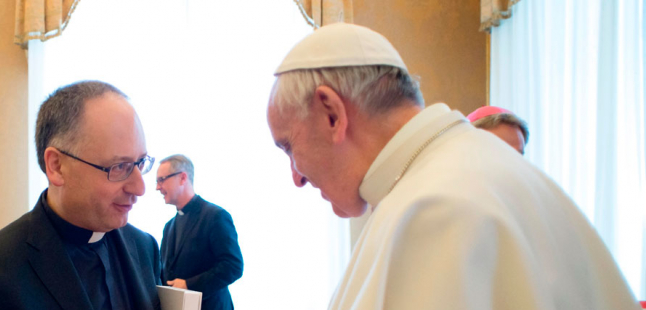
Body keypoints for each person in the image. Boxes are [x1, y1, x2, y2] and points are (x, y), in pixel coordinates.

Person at [265, 23, 640, 310]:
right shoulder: (465, 168)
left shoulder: (435, 208)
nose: (296, 177)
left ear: (332, 113)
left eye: (288, 145)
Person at [0, 80, 162, 310]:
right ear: (56, 166)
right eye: (119, 167)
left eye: (140, 162)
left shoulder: (144, 248)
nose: (139, 188)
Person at [155, 154, 243, 310]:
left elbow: (233, 266)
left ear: (182, 178)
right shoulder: (168, 226)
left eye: (162, 180)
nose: (157, 187)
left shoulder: (215, 216)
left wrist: (189, 284)